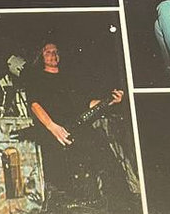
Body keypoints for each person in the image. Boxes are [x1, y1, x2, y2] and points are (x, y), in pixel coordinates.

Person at [22, 42, 124, 201]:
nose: (53, 55)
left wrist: (110, 101)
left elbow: (87, 103)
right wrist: (52, 127)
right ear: (40, 56)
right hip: (55, 132)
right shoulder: (37, 78)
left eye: (56, 51)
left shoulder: (69, 78)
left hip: (78, 127)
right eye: (48, 52)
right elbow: (34, 104)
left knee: (104, 155)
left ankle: (115, 201)